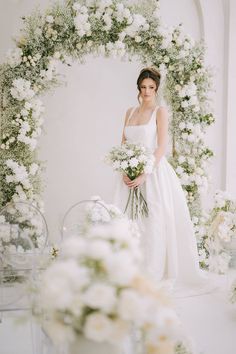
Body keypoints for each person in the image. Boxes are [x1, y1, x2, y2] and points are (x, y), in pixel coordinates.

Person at [113, 67, 209, 294]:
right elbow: (123, 145)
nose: (147, 91)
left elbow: (162, 146)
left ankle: (152, 272)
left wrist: (145, 172)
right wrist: (125, 170)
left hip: (153, 173)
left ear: (156, 89)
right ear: (138, 87)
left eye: (151, 88)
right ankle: (129, 270)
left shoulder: (160, 111)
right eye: (143, 87)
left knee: (154, 220)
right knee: (129, 221)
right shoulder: (129, 112)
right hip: (129, 174)